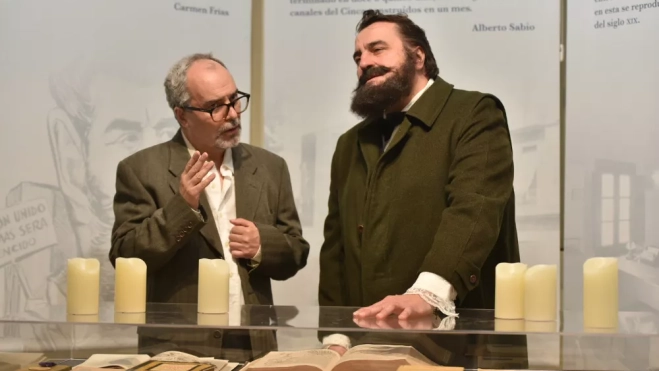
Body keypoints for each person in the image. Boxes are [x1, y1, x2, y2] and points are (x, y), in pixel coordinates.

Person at [318, 10, 521, 365]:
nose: (364, 62)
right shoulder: (349, 144)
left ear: (419, 56)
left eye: (377, 49)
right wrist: (336, 334)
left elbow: (474, 208)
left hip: (457, 348)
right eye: (358, 56)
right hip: (366, 350)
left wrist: (427, 295)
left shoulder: (475, 113)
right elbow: (336, 246)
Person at [109, 53, 310, 361]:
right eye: (215, 106)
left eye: (235, 99)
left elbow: (296, 251)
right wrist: (182, 207)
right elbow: (126, 255)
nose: (232, 114)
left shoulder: (270, 167)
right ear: (182, 115)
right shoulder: (140, 169)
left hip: (253, 346)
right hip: (177, 350)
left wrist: (261, 246)